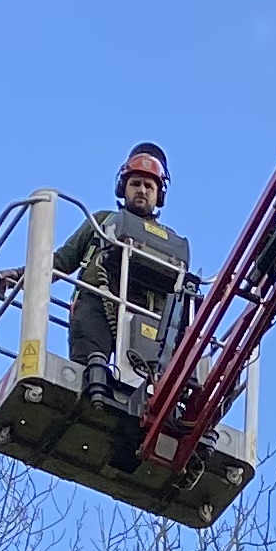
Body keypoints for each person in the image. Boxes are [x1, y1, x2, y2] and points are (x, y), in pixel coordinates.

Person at [58, 142, 192, 393]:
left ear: (158, 195)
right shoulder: (102, 221)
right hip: (97, 306)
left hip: (149, 323)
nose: (142, 190)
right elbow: (62, 260)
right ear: (123, 188)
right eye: (136, 184)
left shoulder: (171, 242)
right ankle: (93, 373)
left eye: (149, 186)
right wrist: (22, 276)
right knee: (90, 342)